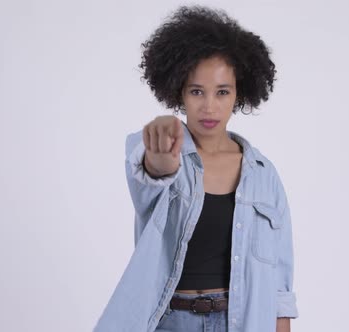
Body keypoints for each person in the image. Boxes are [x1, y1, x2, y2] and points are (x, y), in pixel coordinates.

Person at [94, 5, 299, 332]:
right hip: (172, 321)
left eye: (222, 92)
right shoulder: (163, 149)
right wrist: (160, 157)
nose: (209, 107)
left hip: (240, 322)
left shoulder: (263, 175)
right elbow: (150, 174)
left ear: (239, 93)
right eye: (196, 91)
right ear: (179, 92)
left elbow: (279, 285)